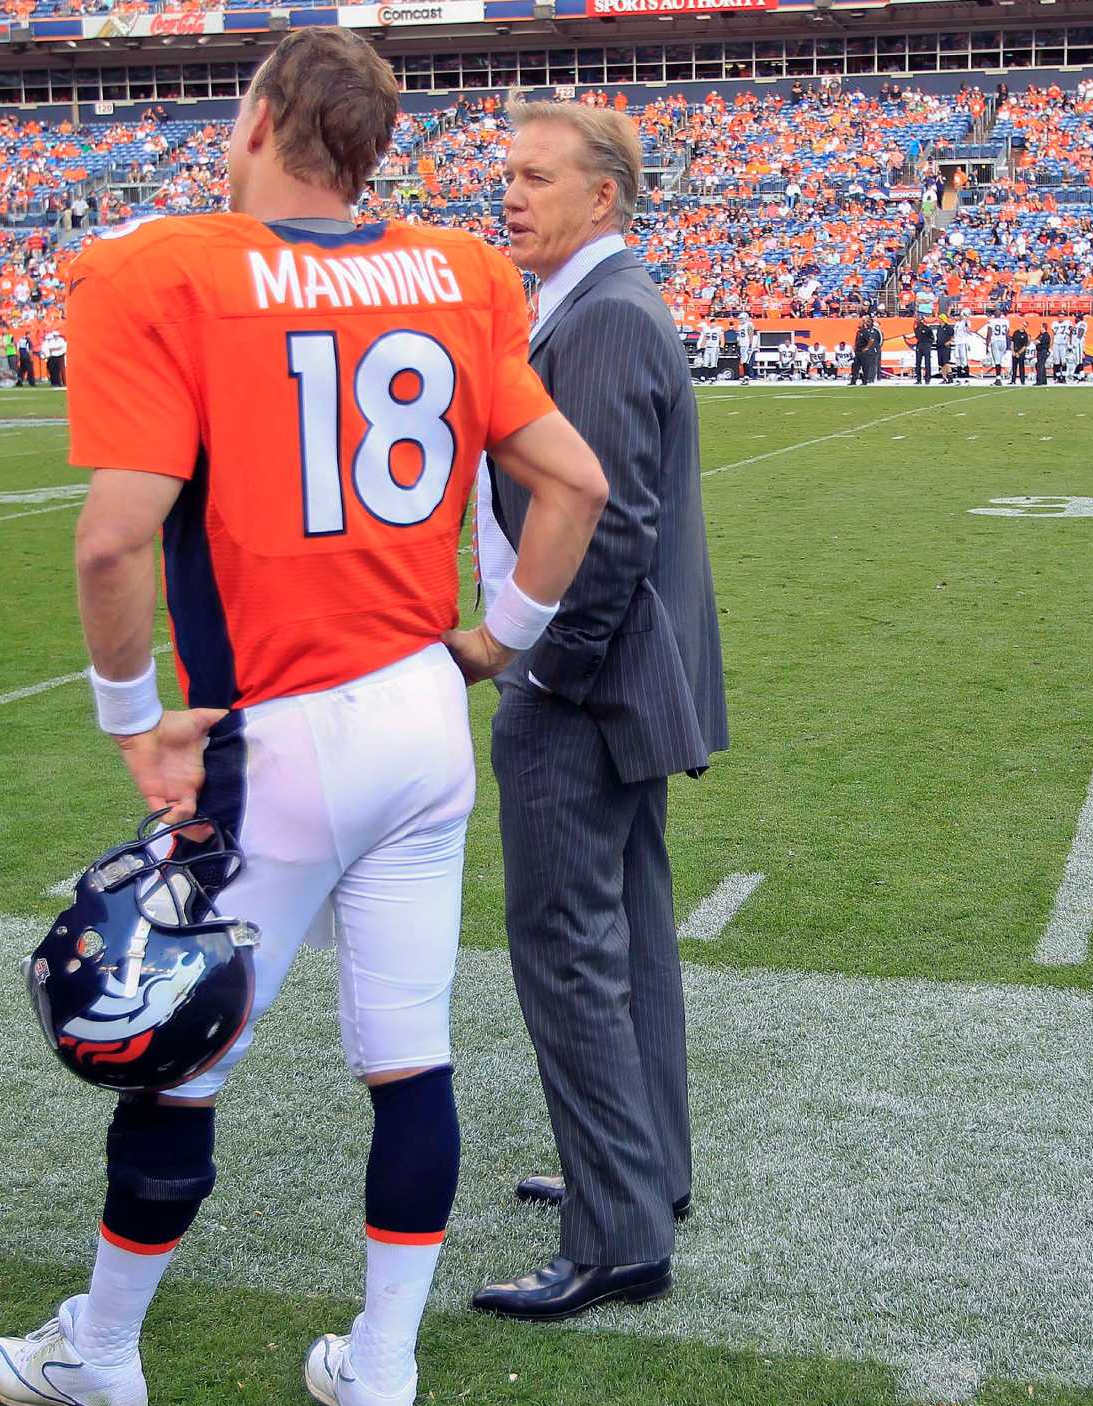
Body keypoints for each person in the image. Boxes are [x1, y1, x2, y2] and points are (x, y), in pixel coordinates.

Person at [0, 29, 609, 1406]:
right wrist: (500, 637)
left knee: (174, 1054)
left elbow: (114, 536)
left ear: (261, 115)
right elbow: (575, 481)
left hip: (282, 733)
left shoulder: (173, 270)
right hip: (421, 717)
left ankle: (104, 1355)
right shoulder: (461, 272)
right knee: (412, 1057)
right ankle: (380, 1380)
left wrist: (135, 724)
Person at [474, 100, 728, 1323]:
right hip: (617, 678)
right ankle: (642, 1170)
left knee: (570, 950)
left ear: (603, 199)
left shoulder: (609, 314)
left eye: (534, 177)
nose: (509, 194)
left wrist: (539, 663)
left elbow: (611, 528)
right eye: (505, 174)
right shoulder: (595, 301)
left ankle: (617, 1232)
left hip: (585, 686)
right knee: (626, 932)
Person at [912, 314, 934, 384]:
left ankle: (927, 379)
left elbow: (932, 337)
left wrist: (929, 344)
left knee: (927, 363)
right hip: (919, 345)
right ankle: (918, 379)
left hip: (926, 345)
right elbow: (917, 336)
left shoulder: (927, 328)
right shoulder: (916, 329)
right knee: (918, 363)